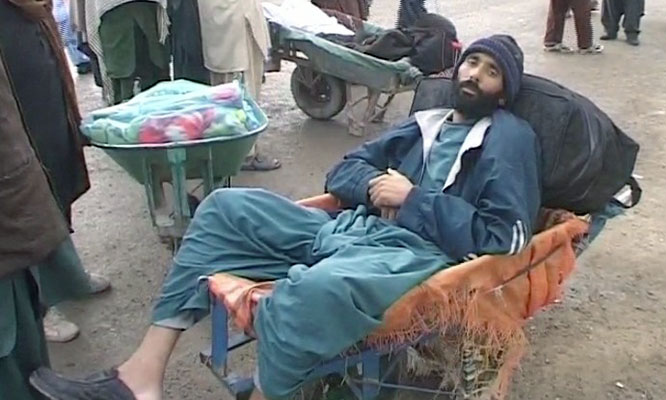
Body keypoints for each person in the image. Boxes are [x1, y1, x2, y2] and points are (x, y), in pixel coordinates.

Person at [30, 34, 542, 400]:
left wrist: (413, 199)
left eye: (491, 71)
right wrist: (370, 185)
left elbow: (508, 234)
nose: (474, 74)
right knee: (225, 209)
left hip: (414, 255)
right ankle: (142, 377)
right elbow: (343, 170)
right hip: (353, 230)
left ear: (504, 91)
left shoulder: (508, 139)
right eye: (472, 62)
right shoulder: (424, 121)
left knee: (309, 292)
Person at [0, 0, 111, 344]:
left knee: (58, 174)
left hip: (44, 94)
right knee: (29, 195)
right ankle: (42, 306)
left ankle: (67, 275)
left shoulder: (33, 8)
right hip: (16, 107)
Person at [198, 0, 281, 171]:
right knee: (241, 92)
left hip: (220, 22)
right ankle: (245, 153)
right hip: (235, 23)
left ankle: (228, 146)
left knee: (224, 90)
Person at [51, 0, 91, 74]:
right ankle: (82, 60)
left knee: (67, 39)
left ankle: (80, 60)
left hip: (58, 13)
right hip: (62, 12)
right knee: (70, 37)